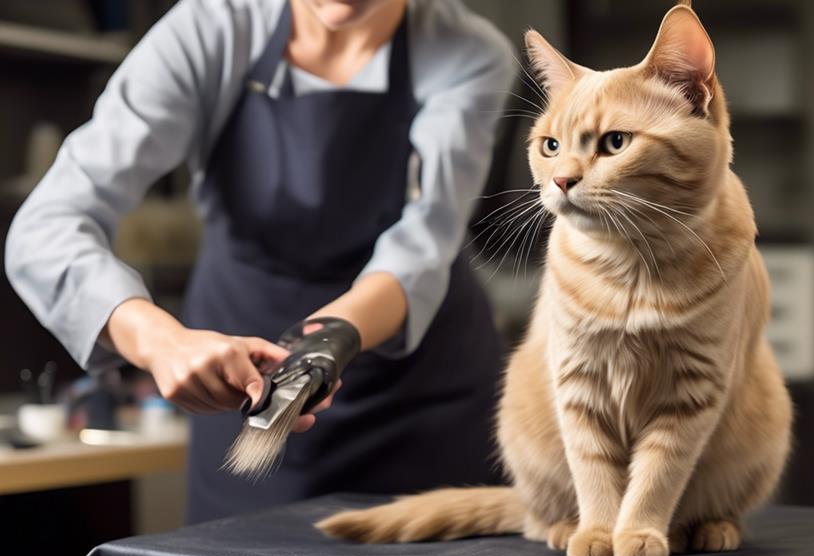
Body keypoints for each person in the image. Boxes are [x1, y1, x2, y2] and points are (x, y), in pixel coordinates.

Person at [5, 0, 515, 523]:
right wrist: (160, 342)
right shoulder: (210, 30)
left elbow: (425, 242)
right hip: (247, 395)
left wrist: (331, 340)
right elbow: (46, 226)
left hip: (426, 401)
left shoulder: (470, 52)